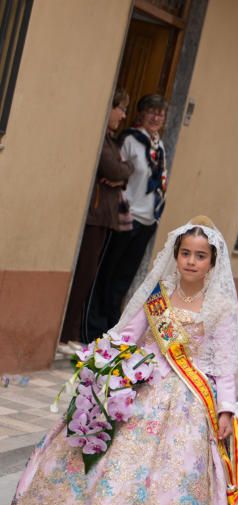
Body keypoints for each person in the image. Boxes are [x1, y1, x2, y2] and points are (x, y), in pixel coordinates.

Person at [6, 217, 238, 505]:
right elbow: (126, 336)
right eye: (185, 252)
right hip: (140, 385)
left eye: (200, 256)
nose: (190, 261)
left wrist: (225, 409)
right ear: (175, 254)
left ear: (212, 262)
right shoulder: (157, 295)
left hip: (188, 396)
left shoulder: (220, 307)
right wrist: (99, 370)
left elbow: (224, 365)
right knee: (107, 462)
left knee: (167, 478)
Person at [91, 94, 170, 337]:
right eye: (151, 112)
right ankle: (96, 323)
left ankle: (112, 323)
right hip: (127, 216)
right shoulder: (129, 140)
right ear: (141, 114)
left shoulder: (159, 145)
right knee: (108, 270)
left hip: (147, 219)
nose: (156, 117)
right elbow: (117, 175)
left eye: (161, 113)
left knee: (125, 275)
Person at [60, 89, 134, 346]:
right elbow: (114, 168)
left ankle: (70, 332)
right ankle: (67, 333)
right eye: (121, 109)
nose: (124, 115)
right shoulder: (103, 140)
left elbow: (119, 173)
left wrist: (122, 173)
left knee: (89, 276)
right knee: (84, 276)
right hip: (96, 213)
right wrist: (125, 170)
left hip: (104, 216)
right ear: (110, 108)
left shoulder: (111, 140)